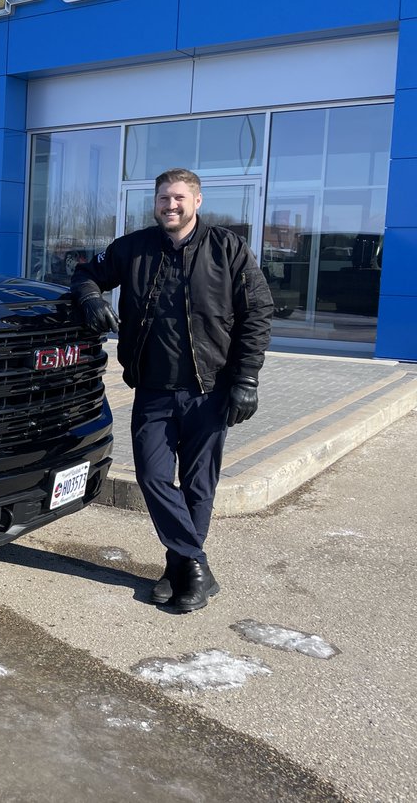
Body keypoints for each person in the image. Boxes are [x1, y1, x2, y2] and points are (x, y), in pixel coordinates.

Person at [70, 168, 273, 613]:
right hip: (154, 391)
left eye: (179, 198)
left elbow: (257, 315)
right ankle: (195, 564)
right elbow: (85, 274)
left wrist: (248, 379)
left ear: (197, 202)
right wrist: (90, 298)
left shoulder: (228, 249)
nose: (170, 206)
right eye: (164, 198)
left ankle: (177, 569)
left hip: (211, 389)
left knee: (200, 484)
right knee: (153, 477)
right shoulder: (134, 247)